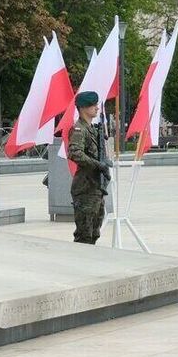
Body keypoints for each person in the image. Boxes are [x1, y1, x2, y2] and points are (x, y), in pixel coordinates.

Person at [68, 91, 111, 245]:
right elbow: (75, 153)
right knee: (84, 235)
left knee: (94, 233)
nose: (96, 108)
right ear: (83, 107)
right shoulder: (79, 129)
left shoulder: (92, 129)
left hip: (95, 188)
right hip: (85, 189)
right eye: (93, 105)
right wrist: (98, 164)